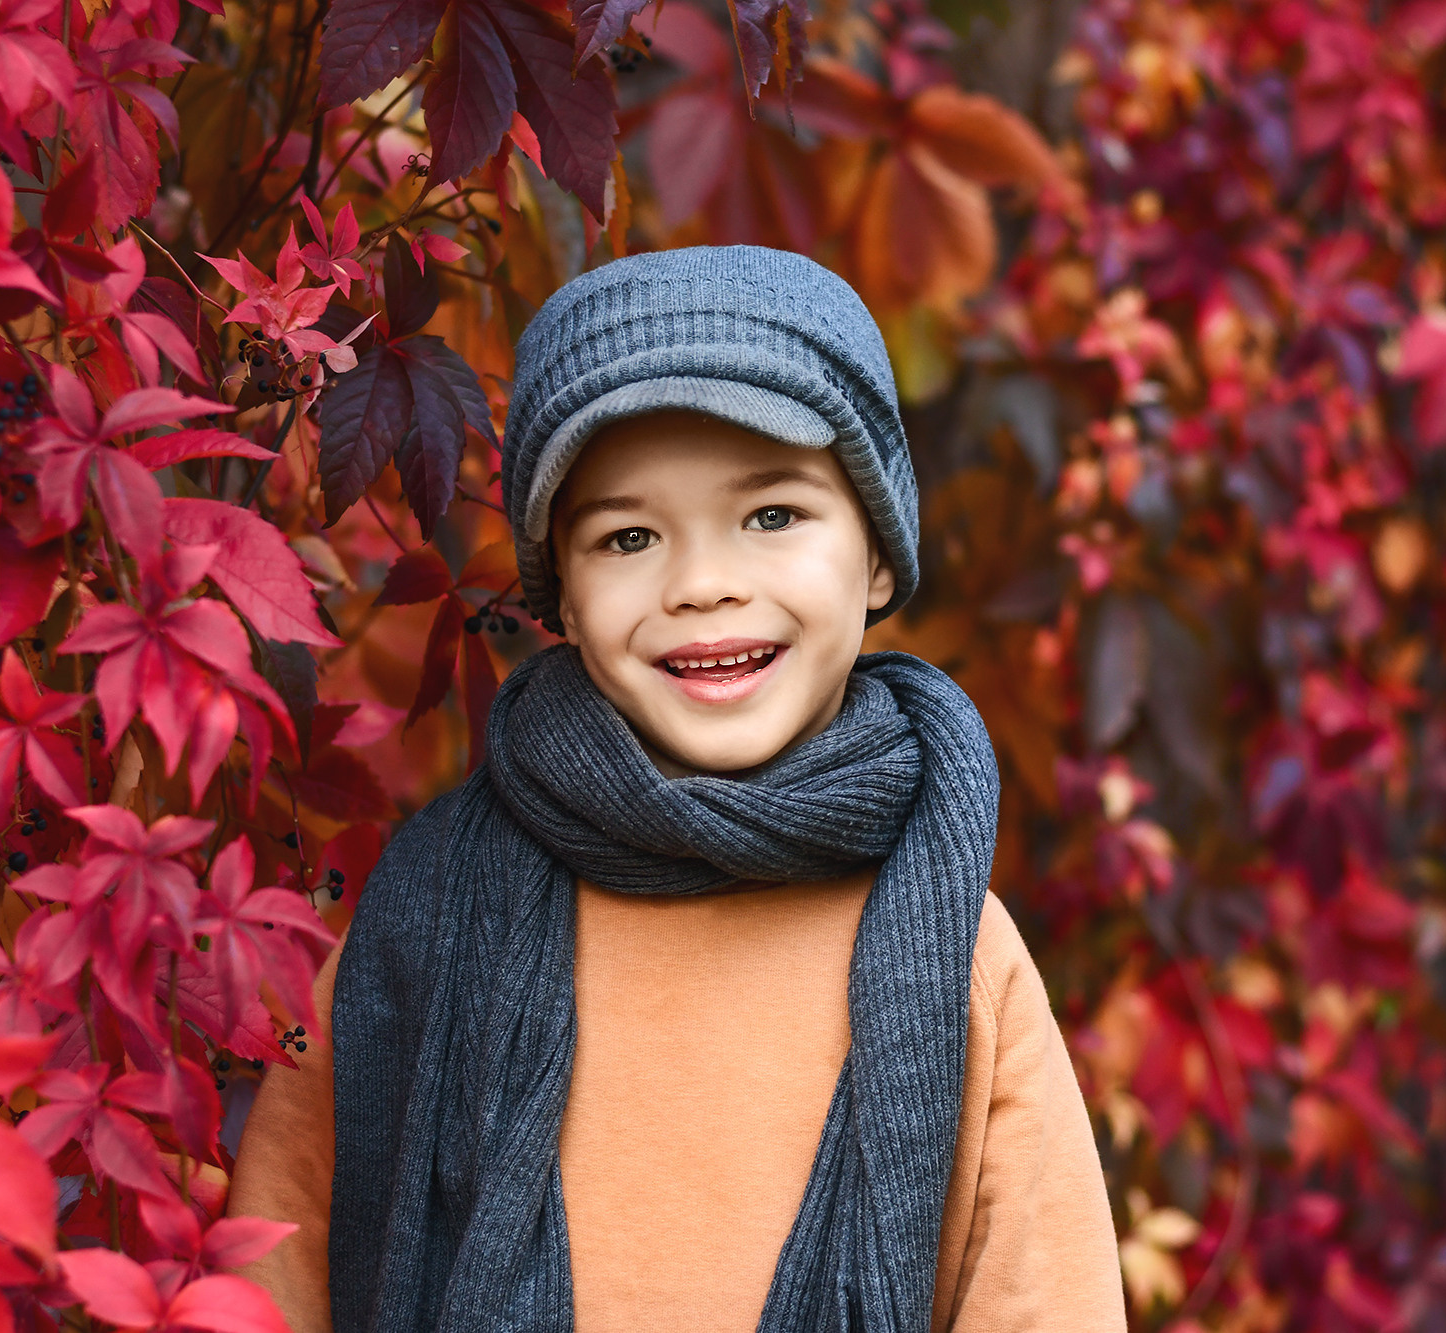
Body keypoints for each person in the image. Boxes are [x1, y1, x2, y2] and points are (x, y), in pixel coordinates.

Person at [226, 245, 1126, 1332]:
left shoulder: (955, 956)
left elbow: (1043, 1301)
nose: (702, 583)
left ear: (879, 557)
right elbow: (273, 1276)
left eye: (772, 515)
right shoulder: (424, 924)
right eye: (630, 535)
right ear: (560, 587)